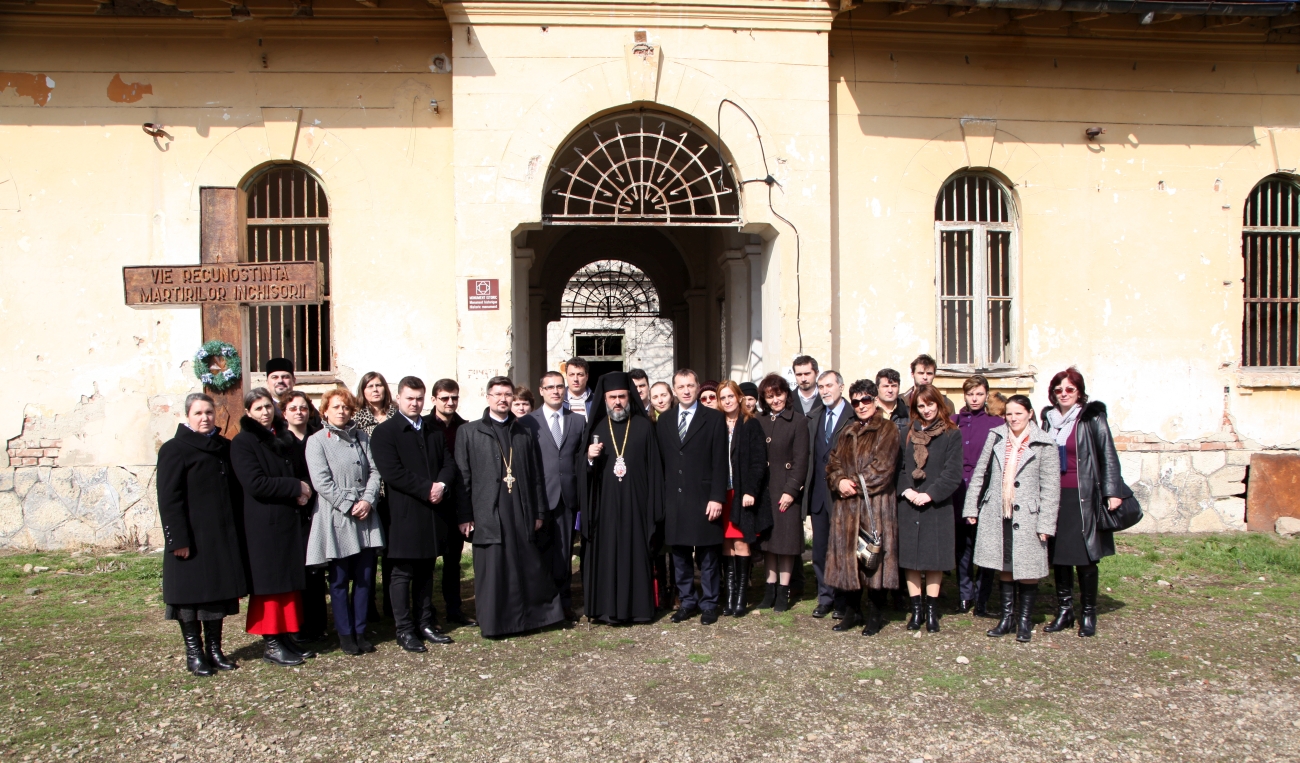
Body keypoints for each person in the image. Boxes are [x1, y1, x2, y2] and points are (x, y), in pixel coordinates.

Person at [456, 376, 565, 638]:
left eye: (507, 394)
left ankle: (532, 618)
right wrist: (464, 515)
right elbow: (462, 477)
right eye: (497, 394)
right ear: (488, 397)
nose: (503, 399)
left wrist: (539, 512)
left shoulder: (523, 432)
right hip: (488, 511)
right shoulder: (469, 432)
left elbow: (536, 475)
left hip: (520, 509)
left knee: (527, 564)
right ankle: (496, 623)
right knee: (494, 568)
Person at [156, 393, 247, 677]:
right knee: (190, 598)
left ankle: (215, 650)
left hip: (219, 536)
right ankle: (194, 653)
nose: (205, 418)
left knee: (216, 596)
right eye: (198, 413)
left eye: (209, 412)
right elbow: (169, 499)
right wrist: (177, 540)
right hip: (191, 538)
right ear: (187, 416)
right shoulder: (174, 449)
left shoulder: (223, 447)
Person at [371, 376, 459, 651]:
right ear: (398, 398)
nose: (415, 403)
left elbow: (449, 463)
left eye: (419, 398)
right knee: (402, 573)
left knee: (426, 570)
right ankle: (404, 629)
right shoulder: (386, 432)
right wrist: (427, 488)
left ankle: (425, 623)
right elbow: (392, 472)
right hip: (404, 513)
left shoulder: (433, 430)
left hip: (432, 511)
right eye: (410, 398)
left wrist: (441, 485)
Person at [963, 395, 1059, 642]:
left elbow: (1051, 487)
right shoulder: (996, 436)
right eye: (1009, 414)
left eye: (1018, 413)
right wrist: (971, 507)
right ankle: (1007, 618)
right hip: (998, 510)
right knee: (1004, 564)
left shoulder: (1044, 442)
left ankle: (1024, 621)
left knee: (1027, 567)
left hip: (1028, 514)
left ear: (1029, 413)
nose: (1013, 418)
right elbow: (980, 473)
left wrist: (1046, 523)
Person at [230, 387, 315, 666]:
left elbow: (301, 471)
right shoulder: (243, 442)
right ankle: (272, 643)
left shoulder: (283, 437)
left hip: (289, 520)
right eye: (258, 408)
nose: (265, 412)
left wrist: (305, 488)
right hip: (264, 525)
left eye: (268, 406)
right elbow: (255, 483)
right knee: (270, 586)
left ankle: (286, 636)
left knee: (287, 583)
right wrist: (295, 487)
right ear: (248, 413)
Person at [1040, 368, 1122, 638]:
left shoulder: (1091, 417)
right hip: (1054, 495)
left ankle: (1088, 612)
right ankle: (1065, 611)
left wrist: (1112, 491)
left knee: (1085, 556)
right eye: (1059, 390)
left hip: (1082, 494)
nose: (1064, 394)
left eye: (1069, 389)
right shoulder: (1049, 420)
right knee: (1060, 556)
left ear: (1079, 392)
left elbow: (1107, 454)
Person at [579, 372, 664, 624]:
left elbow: (655, 470)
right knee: (607, 554)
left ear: (630, 397)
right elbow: (583, 473)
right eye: (612, 397)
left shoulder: (644, 427)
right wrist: (589, 458)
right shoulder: (596, 428)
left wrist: (654, 508)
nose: (617, 402)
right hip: (605, 507)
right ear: (604, 399)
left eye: (622, 396)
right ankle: (606, 609)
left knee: (636, 553)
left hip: (637, 505)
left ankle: (638, 609)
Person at [305, 388, 385, 655]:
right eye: (336, 407)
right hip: (337, 516)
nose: (341, 411)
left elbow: (375, 471)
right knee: (339, 580)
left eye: (346, 407)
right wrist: (349, 504)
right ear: (325, 411)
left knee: (364, 578)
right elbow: (321, 481)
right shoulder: (317, 441)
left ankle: (360, 630)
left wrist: (368, 500)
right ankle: (345, 633)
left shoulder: (362, 437)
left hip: (365, 515)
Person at [824, 380, 900, 636]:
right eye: (856, 401)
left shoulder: (887, 429)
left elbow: (882, 468)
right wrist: (838, 481)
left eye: (866, 400)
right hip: (846, 508)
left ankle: (875, 614)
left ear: (875, 400)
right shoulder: (847, 431)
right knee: (849, 560)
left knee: (873, 561)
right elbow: (833, 462)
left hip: (874, 506)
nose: (861, 406)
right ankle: (852, 611)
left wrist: (852, 484)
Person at [658, 369, 730, 625]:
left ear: (698, 387)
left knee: (708, 556)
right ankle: (687, 601)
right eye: (681, 386)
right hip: (675, 498)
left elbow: (720, 461)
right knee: (679, 555)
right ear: (674, 390)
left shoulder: (714, 418)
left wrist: (717, 497)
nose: (686, 390)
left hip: (704, 497)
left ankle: (709, 603)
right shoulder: (665, 420)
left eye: (690, 385)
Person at [896, 384, 963, 633]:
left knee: (935, 559)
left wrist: (930, 494)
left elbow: (952, 472)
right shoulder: (907, 433)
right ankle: (916, 611)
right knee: (911, 560)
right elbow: (899, 468)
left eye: (930, 404)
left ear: (939, 404)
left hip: (937, 505)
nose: (926, 410)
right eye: (921, 406)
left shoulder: (951, 434)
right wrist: (908, 491)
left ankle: (932, 611)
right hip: (909, 503)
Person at [523, 371, 584, 621]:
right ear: (541, 391)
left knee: (564, 554)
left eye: (560, 386)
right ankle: (541, 605)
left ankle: (564, 604)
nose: (556, 391)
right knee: (539, 553)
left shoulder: (577, 421)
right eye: (550, 387)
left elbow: (580, 459)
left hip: (567, 498)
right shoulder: (528, 422)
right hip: (540, 498)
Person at [716, 381, 771, 617]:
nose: (727, 401)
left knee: (740, 542)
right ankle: (729, 597)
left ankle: (741, 597)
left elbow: (759, 462)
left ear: (739, 397)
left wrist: (751, 491)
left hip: (742, 493)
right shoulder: (716, 424)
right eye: (723, 397)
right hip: (722, 493)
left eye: (731, 396)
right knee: (726, 545)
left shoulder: (751, 424)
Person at [755, 373, 809, 613]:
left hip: (786, 491)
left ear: (786, 394)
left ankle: (784, 591)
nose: (775, 400)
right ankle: (769, 589)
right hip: (765, 491)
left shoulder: (798, 421)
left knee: (786, 544)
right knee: (768, 543)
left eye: (779, 394)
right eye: (770, 396)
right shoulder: (759, 420)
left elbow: (801, 461)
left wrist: (791, 490)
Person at [280, 390, 330, 644]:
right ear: (284, 413)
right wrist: (297, 490)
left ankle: (318, 624)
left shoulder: (318, 436)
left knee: (316, 568)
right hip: (293, 509)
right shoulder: (280, 441)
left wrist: (310, 489)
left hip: (318, 506)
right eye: (293, 408)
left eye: (303, 408)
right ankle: (297, 625)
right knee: (298, 568)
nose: (299, 413)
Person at [952, 375, 1002, 616]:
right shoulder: (954, 421)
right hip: (958, 489)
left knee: (985, 545)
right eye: (970, 394)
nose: (974, 399)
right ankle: (964, 594)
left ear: (986, 395)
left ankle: (983, 597)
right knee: (962, 545)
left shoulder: (996, 423)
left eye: (979, 394)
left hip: (985, 489)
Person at [804, 370, 851, 619]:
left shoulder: (853, 417)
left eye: (829, 386)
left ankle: (842, 599)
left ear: (841, 387)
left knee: (842, 550)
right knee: (820, 551)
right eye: (821, 387)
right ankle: (825, 597)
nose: (824, 391)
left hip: (842, 496)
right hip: (818, 496)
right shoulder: (815, 416)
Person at [352, 372, 396, 623]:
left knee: (391, 551)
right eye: (370, 386)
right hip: (369, 491)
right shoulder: (356, 419)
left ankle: (392, 603)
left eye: (379, 385)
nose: (375, 389)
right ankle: (367, 606)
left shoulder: (395, 414)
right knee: (367, 552)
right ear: (363, 390)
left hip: (393, 490)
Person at [430, 378, 473, 626]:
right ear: (434, 399)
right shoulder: (425, 426)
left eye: (454, 397)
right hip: (430, 501)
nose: (450, 402)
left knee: (453, 562)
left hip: (456, 502)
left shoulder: (464, 428)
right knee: (427, 562)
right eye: (444, 398)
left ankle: (454, 611)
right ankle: (426, 612)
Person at [266, 357, 323, 431]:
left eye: (285, 377)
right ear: (267, 382)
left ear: (294, 380)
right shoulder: (265, 410)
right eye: (275, 377)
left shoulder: (307, 408)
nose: (280, 381)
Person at [875, 368, 908, 438]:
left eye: (894, 386)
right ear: (877, 388)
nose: (890, 390)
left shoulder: (908, 414)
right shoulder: (869, 412)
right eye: (886, 386)